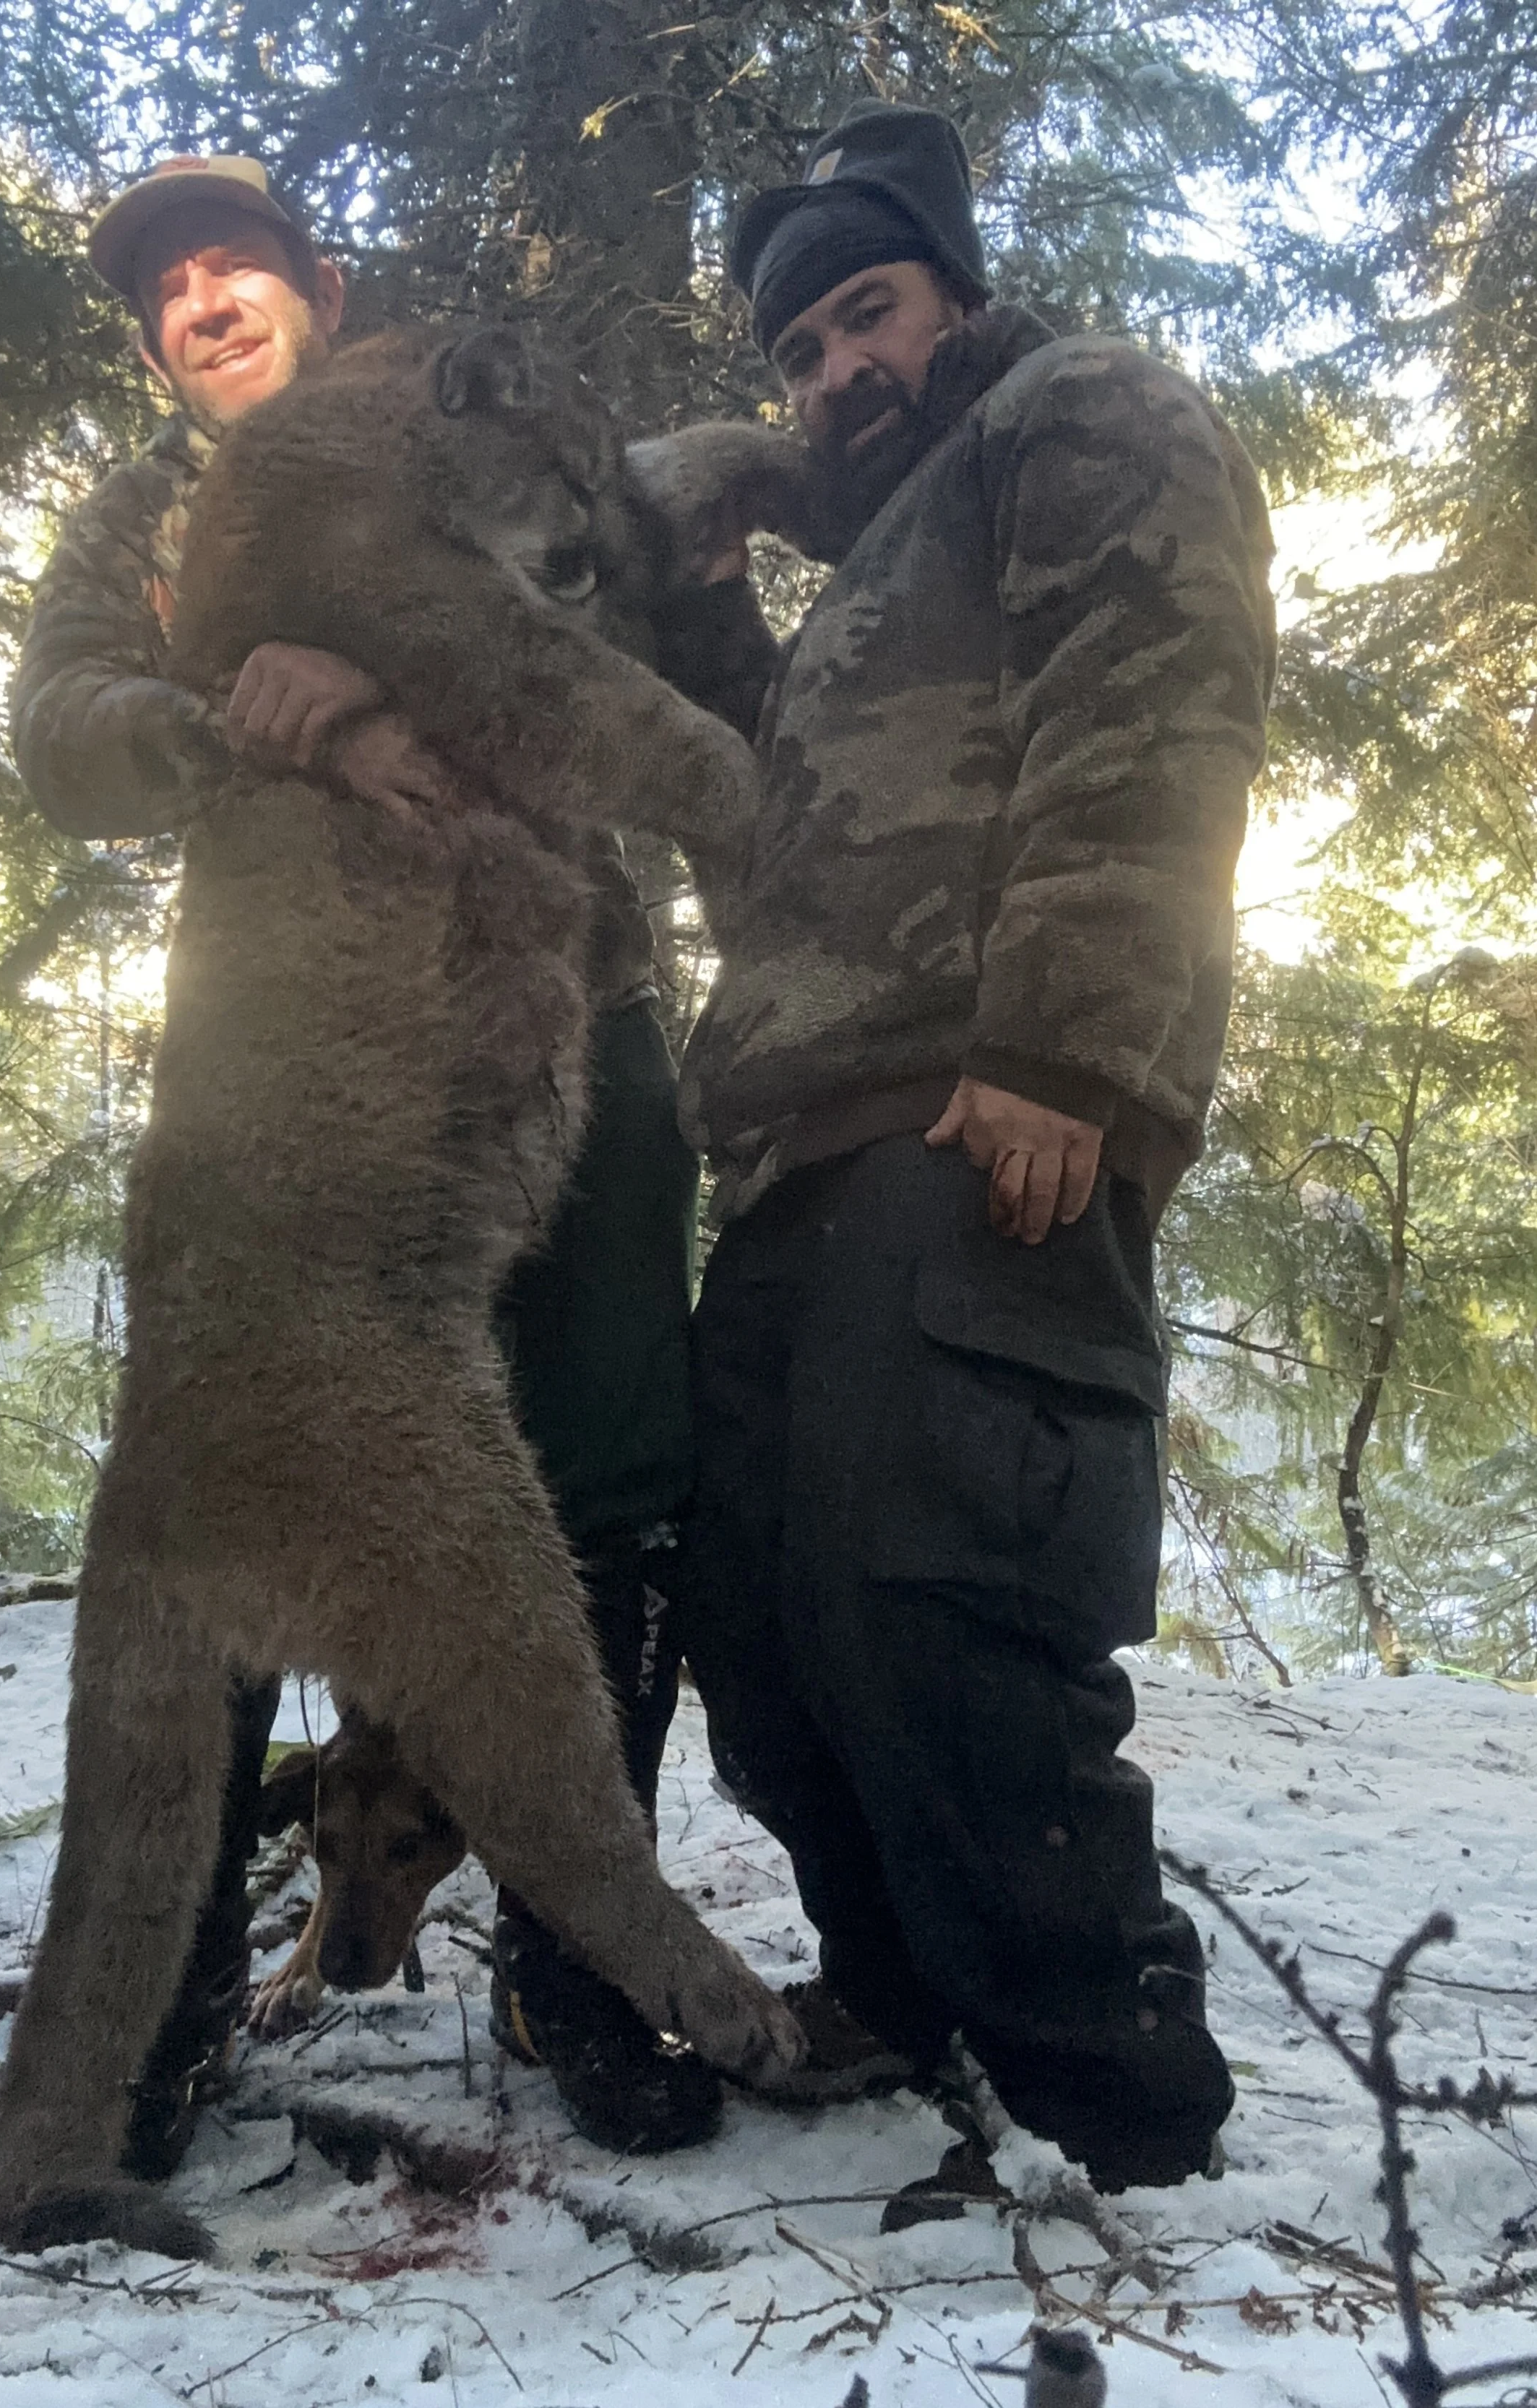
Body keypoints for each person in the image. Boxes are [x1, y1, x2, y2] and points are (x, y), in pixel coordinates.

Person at [10, 155, 714, 2165]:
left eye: (232, 265)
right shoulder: (143, 509)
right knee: (238, 1467)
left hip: (566, 1015)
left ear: (323, 281)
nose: (200, 301)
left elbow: (621, 643)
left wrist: (406, 676)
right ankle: (165, 2010)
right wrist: (246, 719)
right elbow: (60, 724)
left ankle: (579, 1961)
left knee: (614, 1456)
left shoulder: (478, 434)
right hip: (288, 1058)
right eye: (165, 290)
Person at [655, 100, 1277, 2191]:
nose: (833, 372)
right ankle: (901, 1994)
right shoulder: (875, 571)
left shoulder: (1075, 407)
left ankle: (1121, 2107)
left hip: (981, 1108)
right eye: (798, 355)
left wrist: (1061, 1046)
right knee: (768, 1623)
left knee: (945, 1599)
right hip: (804, 1144)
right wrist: (714, 587)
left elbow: (1154, 688)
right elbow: (787, 826)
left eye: (865, 312)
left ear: (956, 292)